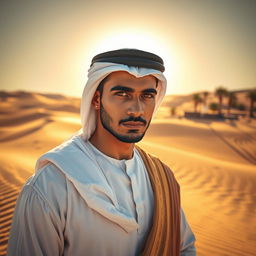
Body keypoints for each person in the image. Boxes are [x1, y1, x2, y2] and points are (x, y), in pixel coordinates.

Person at [7, 49, 196, 256]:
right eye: (122, 94)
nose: (137, 110)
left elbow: (184, 248)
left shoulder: (162, 178)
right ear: (96, 99)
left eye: (147, 96)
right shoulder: (51, 185)